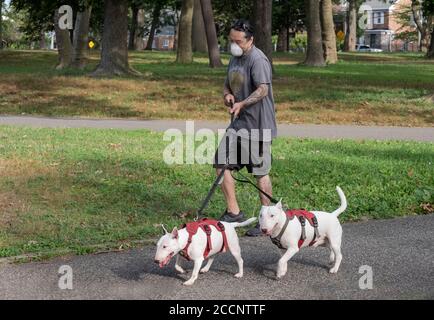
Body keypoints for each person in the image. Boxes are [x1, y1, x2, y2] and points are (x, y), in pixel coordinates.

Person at [213, 19, 277, 236]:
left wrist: (242, 103)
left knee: (260, 172)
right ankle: (233, 213)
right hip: (238, 125)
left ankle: (267, 221)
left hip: (258, 125)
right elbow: (227, 84)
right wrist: (228, 95)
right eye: (231, 40)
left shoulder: (258, 60)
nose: (234, 44)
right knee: (221, 163)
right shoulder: (235, 57)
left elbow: (263, 90)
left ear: (251, 40)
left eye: (238, 41)